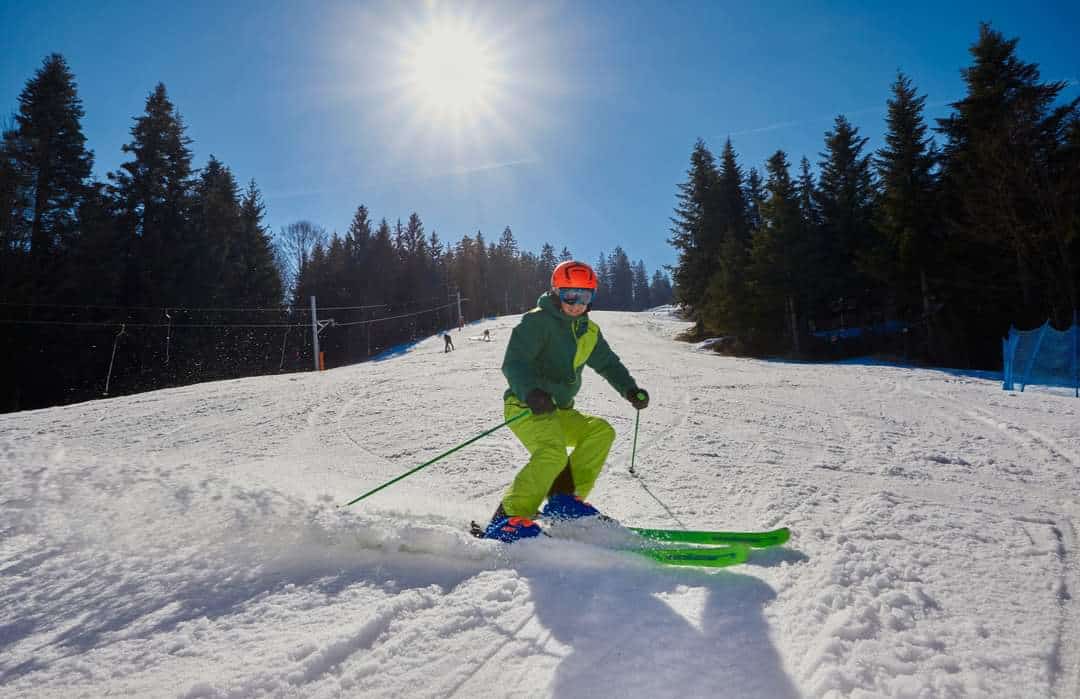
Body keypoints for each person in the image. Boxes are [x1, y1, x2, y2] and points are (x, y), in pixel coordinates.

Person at [479, 260, 649, 542]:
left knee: (600, 431)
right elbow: (514, 363)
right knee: (553, 452)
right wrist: (531, 392)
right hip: (526, 406)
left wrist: (630, 390)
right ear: (556, 292)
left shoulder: (589, 331)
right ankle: (507, 519)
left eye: (585, 296)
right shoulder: (537, 322)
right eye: (570, 295)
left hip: (560, 411)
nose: (577, 304)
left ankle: (564, 504)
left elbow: (608, 364)